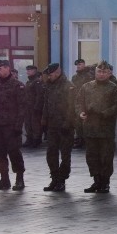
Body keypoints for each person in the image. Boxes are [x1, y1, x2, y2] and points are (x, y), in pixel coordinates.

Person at [76, 61, 117, 193]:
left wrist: (105, 113)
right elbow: (78, 102)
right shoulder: (86, 87)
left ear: (109, 73)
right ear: (95, 72)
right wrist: (80, 112)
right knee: (91, 156)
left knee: (106, 156)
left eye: (104, 72)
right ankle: (96, 181)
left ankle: (105, 182)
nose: (101, 74)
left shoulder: (114, 88)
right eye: (99, 72)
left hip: (105, 129)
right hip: (90, 128)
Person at [0, 59, 26, 191]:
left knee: (14, 152)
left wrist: (18, 126)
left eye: (0, 69)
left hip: (11, 125)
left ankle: (19, 178)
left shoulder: (17, 85)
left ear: (7, 68)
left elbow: (22, 107)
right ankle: (4, 179)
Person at [41, 63, 76, 192]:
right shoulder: (49, 86)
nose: (49, 77)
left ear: (58, 72)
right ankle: (54, 178)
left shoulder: (69, 86)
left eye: (51, 74)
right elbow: (46, 104)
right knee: (51, 153)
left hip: (65, 126)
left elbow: (72, 107)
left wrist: (68, 123)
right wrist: (44, 120)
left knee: (65, 155)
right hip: (52, 126)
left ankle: (62, 180)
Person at [71, 59, 94, 149]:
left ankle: (88, 140)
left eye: (80, 64)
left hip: (87, 101)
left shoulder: (89, 76)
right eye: (77, 65)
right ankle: (79, 139)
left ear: (84, 64)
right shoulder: (75, 77)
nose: (78, 66)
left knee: (88, 121)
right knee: (78, 122)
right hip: (78, 101)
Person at [23, 65, 45, 148]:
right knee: (28, 124)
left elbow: (40, 95)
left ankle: (36, 139)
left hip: (34, 107)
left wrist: (37, 107)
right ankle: (30, 138)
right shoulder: (29, 82)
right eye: (27, 70)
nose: (27, 72)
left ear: (34, 71)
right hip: (28, 107)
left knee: (35, 124)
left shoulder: (37, 82)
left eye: (29, 70)